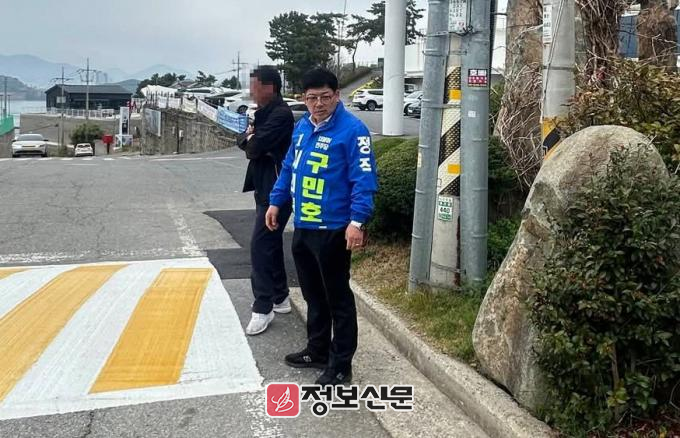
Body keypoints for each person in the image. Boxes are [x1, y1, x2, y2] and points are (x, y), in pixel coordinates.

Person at [266, 67, 378, 385]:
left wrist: (357, 222)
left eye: (325, 97)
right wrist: (275, 202)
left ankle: (341, 364)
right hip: (304, 225)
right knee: (313, 295)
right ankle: (317, 350)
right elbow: (290, 167)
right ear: (304, 98)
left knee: (337, 298)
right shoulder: (302, 127)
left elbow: (364, 180)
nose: (319, 104)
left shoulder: (353, 131)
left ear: (337, 95)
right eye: (312, 98)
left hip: (334, 228)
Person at [237, 66, 295, 336]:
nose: (252, 92)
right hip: (264, 188)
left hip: (278, 191)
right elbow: (244, 141)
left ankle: (263, 306)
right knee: (270, 243)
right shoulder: (262, 113)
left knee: (259, 246)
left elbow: (254, 147)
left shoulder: (280, 114)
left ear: (270, 88)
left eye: (255, 87)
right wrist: (250, 138)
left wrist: (252, 139)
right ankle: (280, 297)